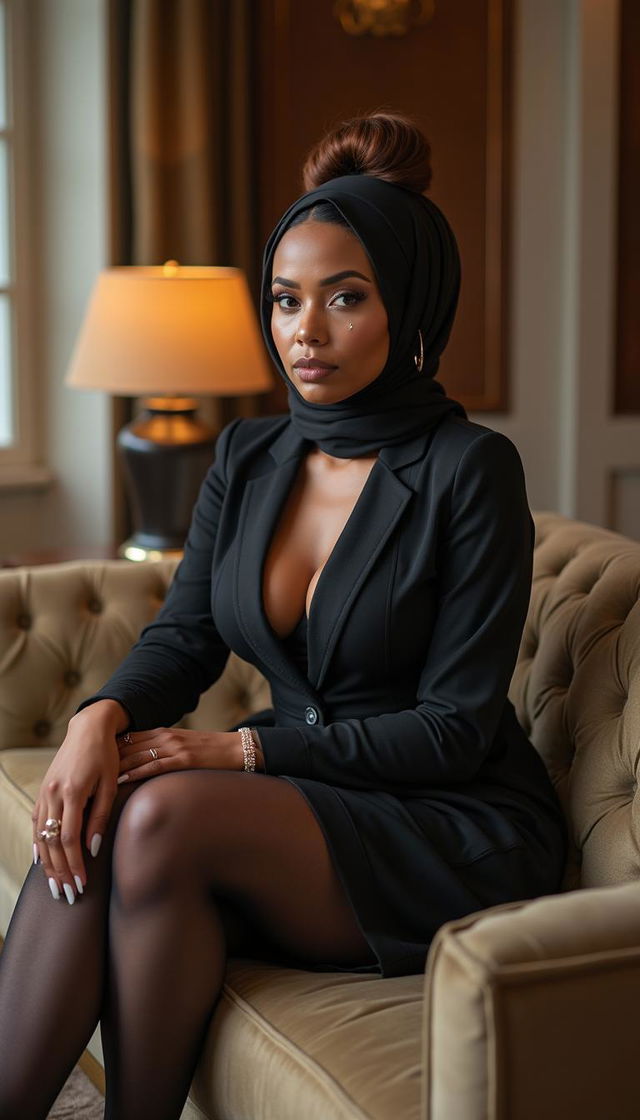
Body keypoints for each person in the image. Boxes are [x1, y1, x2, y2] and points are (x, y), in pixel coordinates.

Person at [0, 111, 566, 1119]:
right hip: (311, 801)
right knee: (102, 795)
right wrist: (99, 719)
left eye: (345, 298)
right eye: (285, 299)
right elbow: (181, 637)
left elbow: (452, 729)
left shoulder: (467, 470)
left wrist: (243, 756)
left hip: (445, 820)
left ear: (410, 304)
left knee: (165, 803)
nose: (304, 330)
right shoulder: (251, 457)